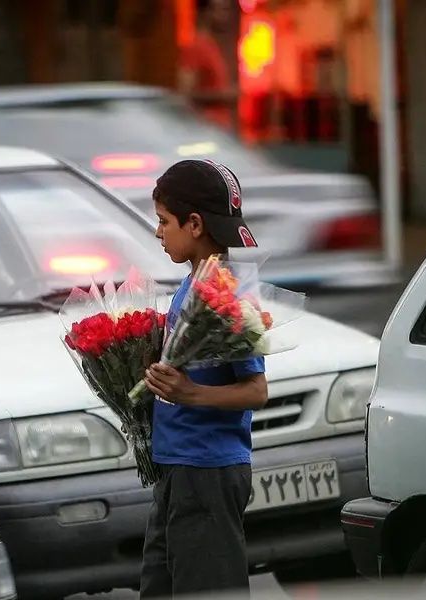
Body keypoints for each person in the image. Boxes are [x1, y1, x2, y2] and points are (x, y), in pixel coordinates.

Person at [140, 159, 268, 597]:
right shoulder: (193, 281)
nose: (158, 232)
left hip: (207, 471)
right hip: (178, 465)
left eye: (163, 221)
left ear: (194, 224)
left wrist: (191, 393)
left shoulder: (228, 289)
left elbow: (256, 390)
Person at [178, 0, 239, 130]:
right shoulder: (196, 46)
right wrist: (224, 96)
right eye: (221, 10)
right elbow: (186, 94)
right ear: (205, 13)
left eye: (227, 10)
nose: (226, 16)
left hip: (220, 131)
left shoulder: (213, 45)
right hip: (206, 129)